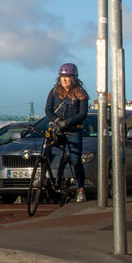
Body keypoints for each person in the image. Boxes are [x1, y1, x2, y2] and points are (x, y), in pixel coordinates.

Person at [44, 62, 90, 201]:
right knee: (46, 151)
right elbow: (48, 110)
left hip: (73, 131)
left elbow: (83, 113)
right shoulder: (54, 92)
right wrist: (57, 121)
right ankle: (43, 178)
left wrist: (68, 122)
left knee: (76, 159)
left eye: (67, 77)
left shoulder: (81, 94)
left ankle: (80, 189)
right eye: (62, 77)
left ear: (74, 78)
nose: (64, 80)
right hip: (57, 129)